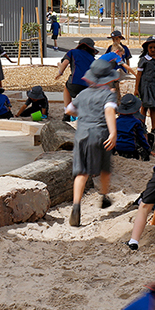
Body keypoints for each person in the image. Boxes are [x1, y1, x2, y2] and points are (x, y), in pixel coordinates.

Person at [66, 59, 121, 227]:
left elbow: (69, 110)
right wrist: (113, 132)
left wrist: (82, 111)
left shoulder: (83, 94)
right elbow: (109, 111)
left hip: (81, 134)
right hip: (100, 134)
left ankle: (76, 205)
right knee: (105, 168)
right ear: (108, 79)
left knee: (81, 172)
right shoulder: (109, 94)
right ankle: (103, 196)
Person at [56, 37, 99, 121]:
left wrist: (60, 73)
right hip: (88, 85)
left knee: (66, 88)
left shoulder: (72, 52)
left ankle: (67, 112)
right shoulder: (92, 58)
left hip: (74, 82)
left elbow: (65, 63)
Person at [135, 36, 155, 134]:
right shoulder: (143, 60)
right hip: (145, 87)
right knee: (144, 107)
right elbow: (139, 75)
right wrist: (136, 89)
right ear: (146, 48)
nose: (153, 49)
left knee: (153, 107)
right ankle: (142, 126)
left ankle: (154, 127)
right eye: (150, 47)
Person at [115, 93, 151, 160]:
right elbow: (142, 138)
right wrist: (148, 149)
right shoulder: (136, 122)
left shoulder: (115, 121)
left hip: (118, 147)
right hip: (131, 148)